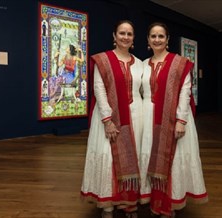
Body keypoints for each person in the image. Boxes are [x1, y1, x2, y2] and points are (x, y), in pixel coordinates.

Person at [140, 22, 208, 217]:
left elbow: (185, 93)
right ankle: (155, 201)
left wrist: (180, 120)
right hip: (149, 120)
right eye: (153, 36)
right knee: (152, 159)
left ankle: (169, 204)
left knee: (173, 161)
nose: (157, 40)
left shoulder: (180, 63)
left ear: (167, 40)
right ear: (148, 40)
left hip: (173, 120)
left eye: (161, 36)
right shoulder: (144, 65)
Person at [81, 20, 143, 218]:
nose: (125, 37)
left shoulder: (140, 64)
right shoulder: (103, 60)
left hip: (135, 117)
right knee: (108, 160)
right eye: (122, 33)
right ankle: (108, 206)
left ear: (133, 38)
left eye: (129, 34)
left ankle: (129, 203)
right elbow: (99, 90)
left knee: (132, 160)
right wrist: (108, 120)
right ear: (114, 36)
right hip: (108, 117)